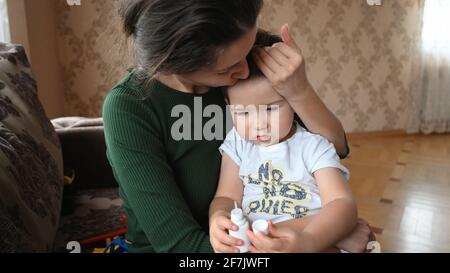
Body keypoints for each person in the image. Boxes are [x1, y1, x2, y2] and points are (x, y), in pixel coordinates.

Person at [103, 0, 372, 253]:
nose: (245, 72)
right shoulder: (131, 107)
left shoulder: (248, 50)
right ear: (172, 62)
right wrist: (324, 238)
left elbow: (333, 147)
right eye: (226, 70)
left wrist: (300, 91)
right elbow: (180, 247)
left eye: (250, 46)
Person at [209, 32, 358, 253]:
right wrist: (218, 218)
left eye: (270, 108)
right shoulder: (237, 143)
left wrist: (307, 242)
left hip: (309, 243)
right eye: (242, 112)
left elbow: (342, 204)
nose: (259, 125)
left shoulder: (313, 145)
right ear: (228, 105)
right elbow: (226, 196)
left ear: (292, 101)